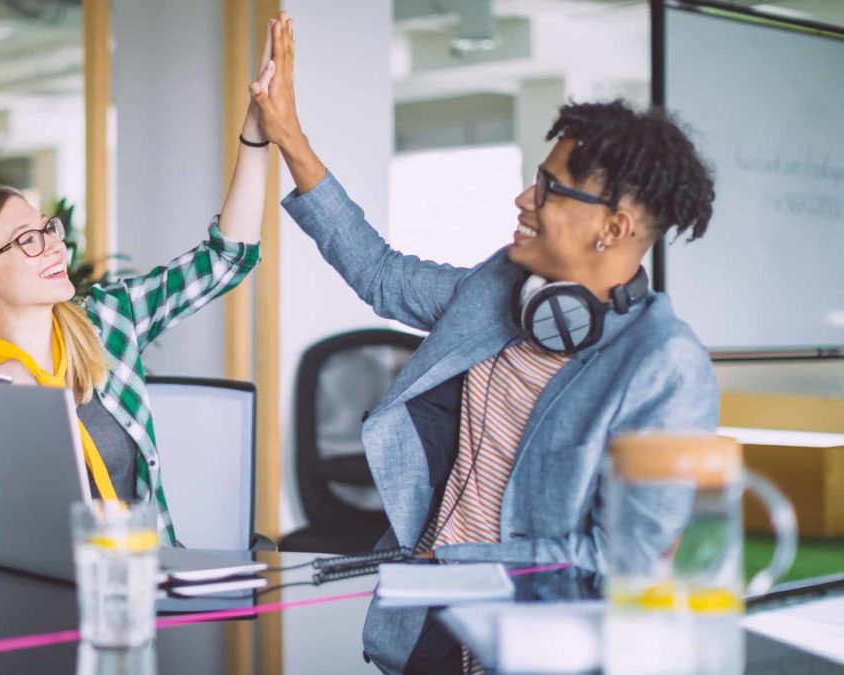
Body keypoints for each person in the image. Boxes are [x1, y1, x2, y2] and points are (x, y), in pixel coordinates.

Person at [249, 14, 718, 671]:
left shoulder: (664, 364)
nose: (525, 198)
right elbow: (382, 274)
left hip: (543, 648)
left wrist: (451, 560)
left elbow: (621, 562)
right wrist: (290, 137)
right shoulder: (502, 285)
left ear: (612, 227)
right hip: (429, 629)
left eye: (551, 189)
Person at [0, 23, 281, 544]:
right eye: (27, 240)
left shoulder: (109, 319)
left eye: (49, 228)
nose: (54, 246)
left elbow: (226, 261)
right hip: (26, 605)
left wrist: (256, 135)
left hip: (141, 583)